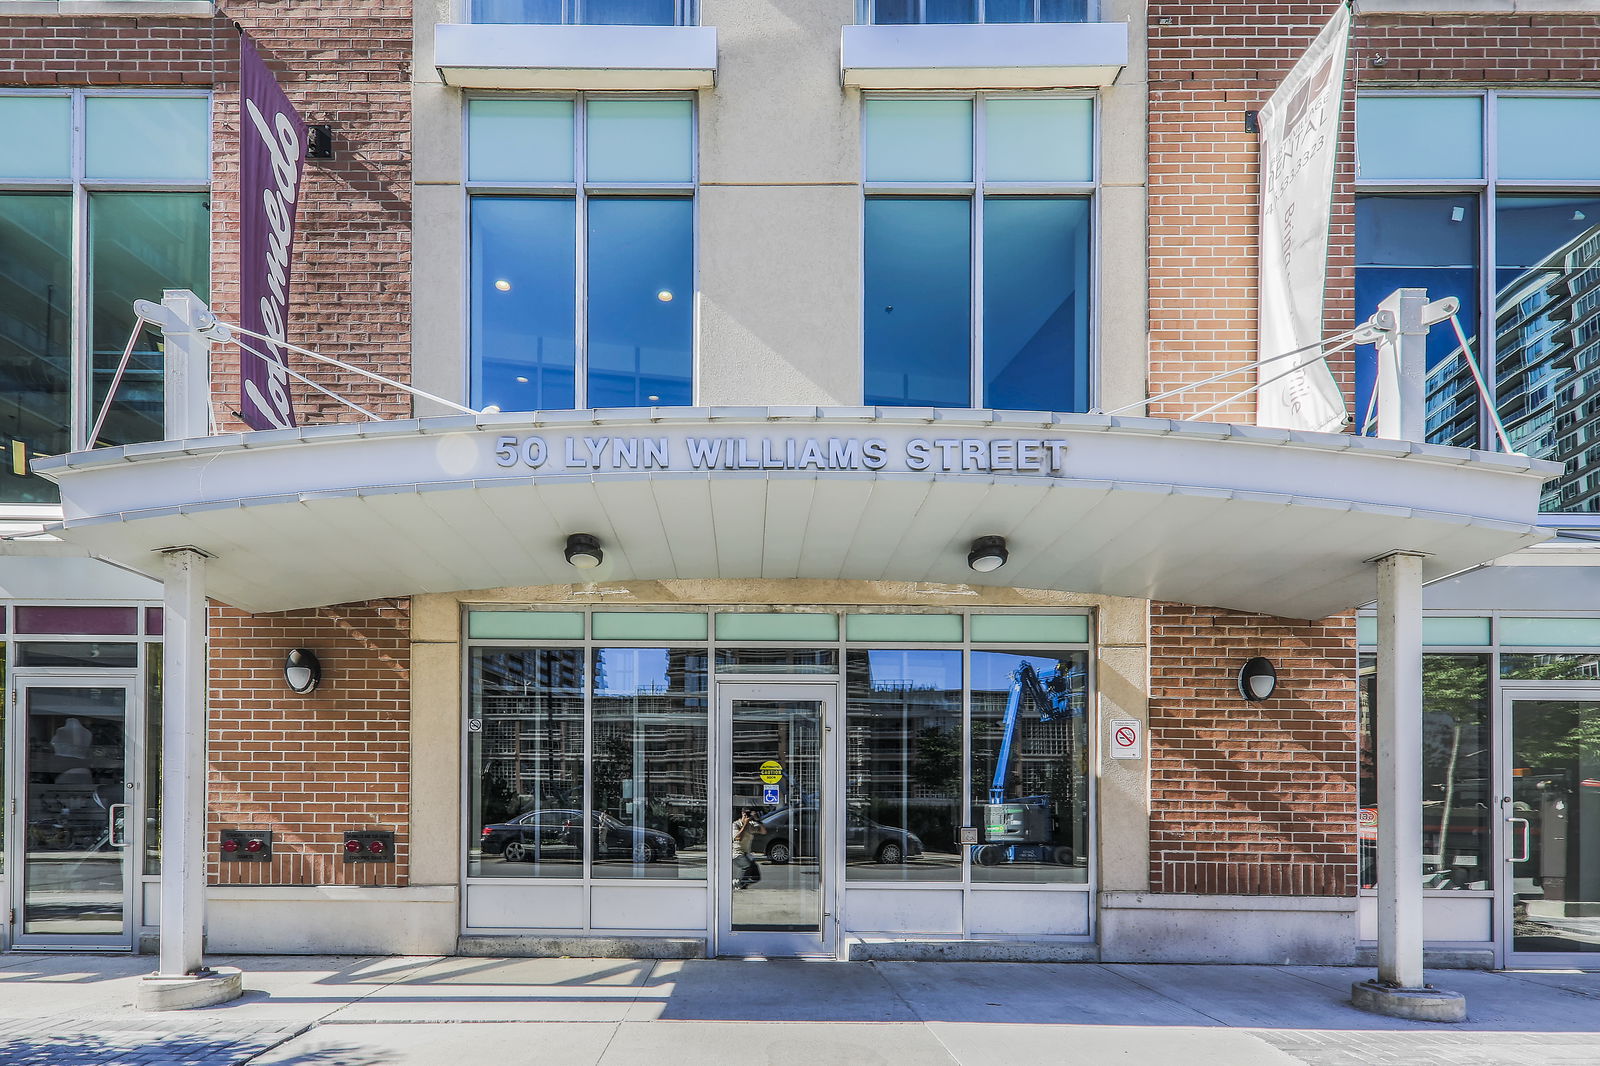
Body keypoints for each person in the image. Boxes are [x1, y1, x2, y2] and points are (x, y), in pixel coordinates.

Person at [732, 807, 766, 889]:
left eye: (748, 815)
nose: (746, 817)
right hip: (737, 853)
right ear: (742, 814)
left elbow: (763, 831)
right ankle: (736, 883)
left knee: (756, 876)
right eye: (745, 815)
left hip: (746, 854)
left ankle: (742, 883)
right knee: (747, 866)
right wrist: (745, 825)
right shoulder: (736, 824)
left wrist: (758, 820)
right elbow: (738, 838)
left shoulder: (751, 825)